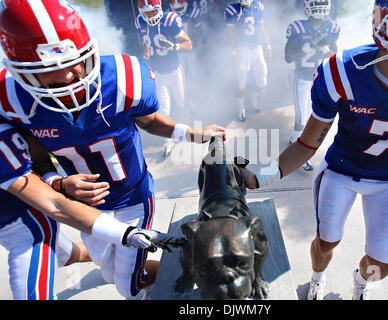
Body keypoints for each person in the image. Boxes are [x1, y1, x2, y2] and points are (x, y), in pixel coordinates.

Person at [0, 0, 225, 299]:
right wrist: (59, 182)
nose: (68, 76)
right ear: (22, 73)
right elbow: (37, 160)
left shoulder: (122, 77)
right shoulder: (13, 101)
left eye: (74, 60)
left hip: (133, 196)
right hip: (85, 208)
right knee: (109, 270)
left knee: (126, 285)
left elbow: (149, 120)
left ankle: (196, 276)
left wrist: (187, 132)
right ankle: (178, 268)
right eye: (50, 68)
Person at [240, 0, 388, 300]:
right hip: (341, 170)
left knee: (382, 262)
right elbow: (306, 144)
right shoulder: (344, 71)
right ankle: (317, 277)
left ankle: (361, 284)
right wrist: (261, 178)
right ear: (385, 25)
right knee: (326, 242)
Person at [0, 123, 183, 300]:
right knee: (82, 259)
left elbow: (55, 203)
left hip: (25, 229)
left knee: (126, 286)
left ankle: (172, 271)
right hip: (20, 218)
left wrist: (127, 234)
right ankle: (118, 258)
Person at [284, 0, 339, 171]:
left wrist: (326, 50)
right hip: (302, 77)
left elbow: (336, 51)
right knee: (302, 119)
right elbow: (288, 57)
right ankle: (299, 155)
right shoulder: (297, 27)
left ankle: (295, 139)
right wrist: (307, 48)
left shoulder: (331, 27)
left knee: (316, 116)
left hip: (321, 79)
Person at [135, 0, 194, 157]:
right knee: (164, 109)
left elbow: (189, 44)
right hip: (158, 73)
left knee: (181, 103)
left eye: (153, 11)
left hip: (174, 70)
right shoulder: (140, 22)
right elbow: (145, 42)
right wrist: (146, 55)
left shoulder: (170, 19)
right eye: (146, 12)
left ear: (159, 8)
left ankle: (185, 131)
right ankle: (168, 140)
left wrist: (174, 47)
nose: (150, 15)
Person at [225, 0, 272, 122]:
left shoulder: (258, 6)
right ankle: (241, 107)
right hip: (242, 49)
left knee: (263, 80)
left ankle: (253, 97)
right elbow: (229, 33)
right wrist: (233, 52)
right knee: (241, 81)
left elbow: (262, 28)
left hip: (257, 48)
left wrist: (267, 46)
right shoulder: (232, 10)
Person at [170, 0, 202, 112]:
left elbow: (198, 31)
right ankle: (185, 104)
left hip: (190, 50)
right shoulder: (168, 14)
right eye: (175, 9)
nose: (177, 12)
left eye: (179, 9)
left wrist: (196, 47)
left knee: (194, 75)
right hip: (177, 51)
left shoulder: (193, 12)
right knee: (181, 78)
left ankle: (194, 101)